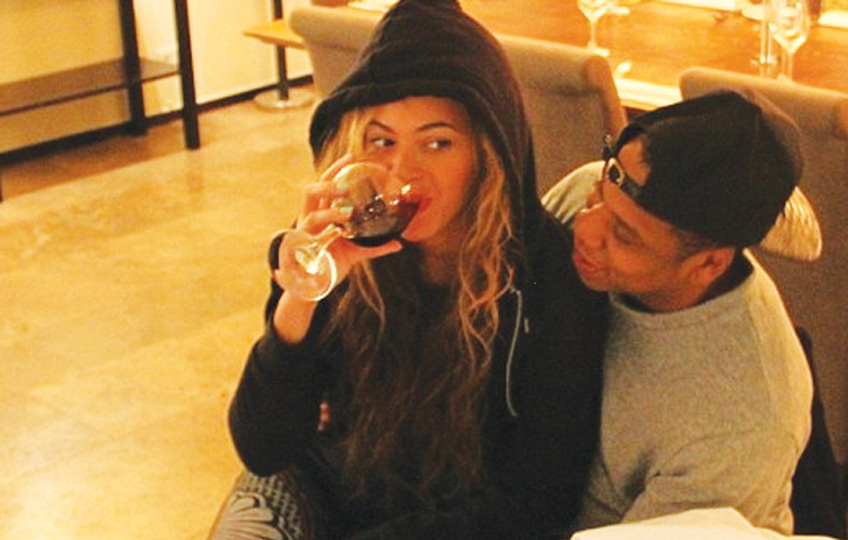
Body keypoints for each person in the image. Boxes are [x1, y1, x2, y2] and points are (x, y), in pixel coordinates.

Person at [208, 1, 607, 539]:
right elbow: (265, 449)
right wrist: (299, 301)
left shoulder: (546, 279)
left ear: (487, 150)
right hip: (325, 496)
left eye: (437, 143)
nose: (402, 172)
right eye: (382, 141)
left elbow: (536, 503)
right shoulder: (337, 247)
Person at [544, 90, 815, 535]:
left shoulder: (743, 422)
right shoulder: (593, 197)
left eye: (624, 235)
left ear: (708, 264)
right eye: (598, 196)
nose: (586, 228)